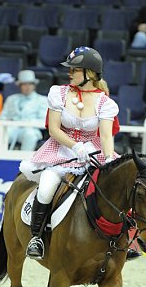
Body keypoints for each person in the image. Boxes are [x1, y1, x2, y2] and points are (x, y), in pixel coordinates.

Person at [19, 47, 119, 260]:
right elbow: (53, 129)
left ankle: (122, 240)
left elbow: (106, 136)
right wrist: (75, 146)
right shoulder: (59, 93)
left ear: (89, 73)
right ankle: (36, 237)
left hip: (93, 151)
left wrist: (109, 159)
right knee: (46, 187)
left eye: (74, 70)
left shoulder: (105, 103)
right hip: (61, 149)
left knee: (116, 188)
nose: (69, 73)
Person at [0, 69, 47, 150]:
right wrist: (8, 122)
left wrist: (27, 122)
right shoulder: (11, 99)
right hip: (11, 128)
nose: (27, 87)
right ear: (20, 86)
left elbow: (43, 121)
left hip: (30, 129)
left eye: (30, 84)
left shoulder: (42, 100)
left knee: (30, 135)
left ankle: (24, 161)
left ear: (34, 85)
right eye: (24, 84)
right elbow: (2, 117)